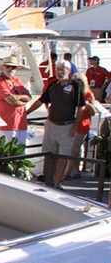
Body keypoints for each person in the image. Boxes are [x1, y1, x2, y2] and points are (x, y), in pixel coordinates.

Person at [25, 61, 87, 189]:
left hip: (67, 126)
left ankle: (58, 183)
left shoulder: (75, 86)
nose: (60, 71)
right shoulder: (53, 85)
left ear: (68, 71)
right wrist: (26, 113)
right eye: (58, 69)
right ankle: (49, 180)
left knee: (62, 156)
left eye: (63, 69)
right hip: (51, 124)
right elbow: (41, 100)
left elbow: (81, 107)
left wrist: (75, 126)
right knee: (48, 153)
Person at [0, 55, 32, 145]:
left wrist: (18, 97)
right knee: (9, 153)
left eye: (13, 67)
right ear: (3, 68)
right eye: (8, 66)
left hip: (21, 123)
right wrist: (23, 100)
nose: (10, 69)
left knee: (20, 152)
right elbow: (13, 102)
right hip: (7, 124)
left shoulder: (17, 80)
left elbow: (29, 97)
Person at [64, 74, 97, 180]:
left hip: (82, 124)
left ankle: (68, 172)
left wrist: (87, 104)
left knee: (74, 149)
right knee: (75, 150)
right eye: (75, 80)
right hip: (71, 122)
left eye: (79, 80)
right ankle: (77, 171)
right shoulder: (70, 93)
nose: (77, 82)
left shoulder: (88, 94)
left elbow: (93, 112)